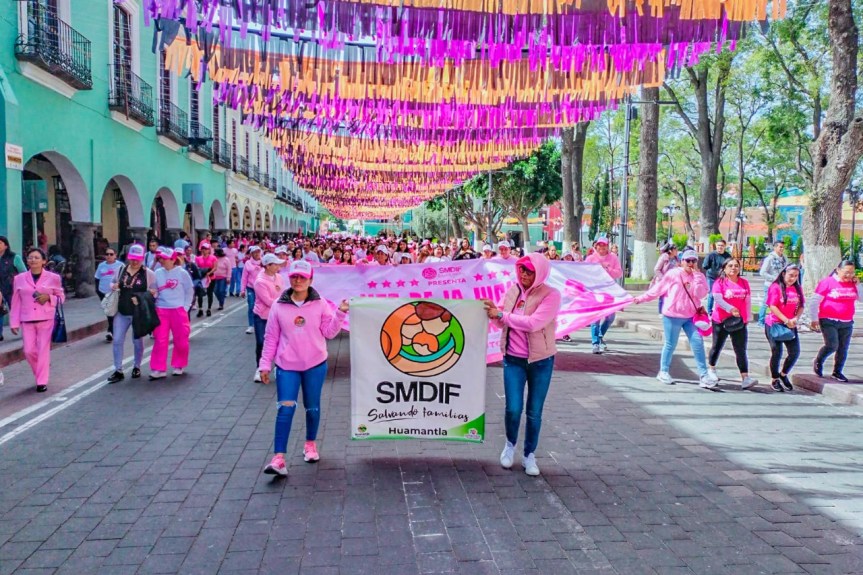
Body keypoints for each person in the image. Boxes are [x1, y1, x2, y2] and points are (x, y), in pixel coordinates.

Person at [259, 260, 349, 476]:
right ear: (289, 279)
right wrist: (264, 364)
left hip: (315, 364)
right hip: (286, 366)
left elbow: (328, 332)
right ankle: (279, 458)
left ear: (311, 279)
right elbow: (271, 337)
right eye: (294, 277)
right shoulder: (279, 306)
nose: (298, 280)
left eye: (303, 277)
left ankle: (310, 444)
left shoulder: (320, 304)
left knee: (312, 407)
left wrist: (340, 314)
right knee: (285, 408)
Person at [483, 253, 560, 477]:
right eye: (522, 270)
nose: (524, 274)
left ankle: (529, 455)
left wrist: (502, 314)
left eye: (529, 271)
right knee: (513, 408)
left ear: (540, 272)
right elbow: (502, 321)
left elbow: (534, 323)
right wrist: (492, 312)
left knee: (534, 411)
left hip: (541, 361)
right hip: (513, 360)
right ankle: (509, 446)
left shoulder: (551, 295)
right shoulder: (512, 291)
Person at [634, 250, 716, 389]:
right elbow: (658, 289)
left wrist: (696, 276)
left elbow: (700, 294)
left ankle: (703, 375)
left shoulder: (699, 276)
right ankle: (663, 371)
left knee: (697, 342)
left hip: (691, 316)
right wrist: (641, 298)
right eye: (687, 260)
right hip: (672, 315)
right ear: (681, 261)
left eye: (693, 261)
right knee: (670, 344)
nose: (690, 263)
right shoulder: (673, 274)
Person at [9, 248, 66, 392]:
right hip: (27, 319)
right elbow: (16, 302)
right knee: (29, 351)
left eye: (36, 257)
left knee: (42, 350)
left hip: (46, 318)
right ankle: (41, 370)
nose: (33, 260)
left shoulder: (53, 278)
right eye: (30, 257)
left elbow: (61, 297)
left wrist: (49, 297)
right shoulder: (19, 278)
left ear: (44, 261)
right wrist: (14, 322)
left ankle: (41, 381)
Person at [107, 245, 157, 384]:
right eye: (132, 259)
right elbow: (111, 283)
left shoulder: (149, 274)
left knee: (137, 341)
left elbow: (155, 292)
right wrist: (114, 286)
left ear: (142, 259)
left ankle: (137, 366)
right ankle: (118, 369)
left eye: (138, 259)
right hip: (121, 311)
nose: (135, 262)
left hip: (137, 312)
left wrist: (142, 297)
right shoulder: (121, 269)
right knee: (117, 340)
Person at [707, 258, 757, 390]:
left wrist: (747, 317)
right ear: (724, 268)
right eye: (730, 266)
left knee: (740, 349)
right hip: (721, 321)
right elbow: (718, 299)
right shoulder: (720, 282)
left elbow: (747, 301)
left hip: (739, 321)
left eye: (736, 266)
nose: (733, 268)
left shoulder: (744, 283)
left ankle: (745, 377)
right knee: (717, 346)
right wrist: (730, 309)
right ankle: (711, 370)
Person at [810, 260, 859, 382]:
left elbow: (861, 298)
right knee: (832, 345)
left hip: (847, 321)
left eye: (852, 273)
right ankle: (819, 360)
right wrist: (814, 319)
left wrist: (858, 285)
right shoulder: (827, 282)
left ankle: (837, 371)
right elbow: (814, 301)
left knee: (843, 347)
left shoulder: (852, 284)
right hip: (828, 319)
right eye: (846, 272)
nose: (849, 275)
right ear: (838, 270)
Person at [150, 248, 194, 380]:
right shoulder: (157, 272)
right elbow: (155, 289)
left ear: (173, 259)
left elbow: (189, 291)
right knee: (160, 339)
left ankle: (179, 365)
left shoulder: (182, 273)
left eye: (165, 258)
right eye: (161, 258)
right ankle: (158, 368)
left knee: (181, 340)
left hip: (178, 310)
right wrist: (154, 294)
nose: (162, 260)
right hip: (161, 309)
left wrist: (185, 307)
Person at [765, 265, 804, 392]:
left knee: (795, 352)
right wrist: (785, 320)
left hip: (790, 325)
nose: (793, 278)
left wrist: (795, 318)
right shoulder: (775, 287)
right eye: (790, 275)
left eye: (796, 276)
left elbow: (801, 306)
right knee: (777, 352)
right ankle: (775, 378)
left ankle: (783, 374)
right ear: (783, 274)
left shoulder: (797, 289)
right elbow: (773, 306)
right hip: (775, 324)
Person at [252, 253, 286, 383]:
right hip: (262, 316)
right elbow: (268, 301)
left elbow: (281, 294)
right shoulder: (260, 281)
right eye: (275, 264)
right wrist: (282, 305)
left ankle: (279, 368)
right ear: (267, 266)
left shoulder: (279, 277)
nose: (278, 266)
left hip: (276, 315)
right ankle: (259, 369)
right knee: (261, 342)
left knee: (278, 342)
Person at [586, 238, 622, 354]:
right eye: (600, 246)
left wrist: (607, 269)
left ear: (607, 246)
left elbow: (619, 273)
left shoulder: (613, 258)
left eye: (604, 246)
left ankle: (600, 334)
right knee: (595, 318)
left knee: (610, 317)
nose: (602, 248)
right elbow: (583, 272)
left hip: (608, 292)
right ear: (596, 246)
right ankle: (595, 343)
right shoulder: (591, 258)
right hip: (595, 292)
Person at [0, 236, 27, 342]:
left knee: (17, 310)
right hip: (0, 290)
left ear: (6, 246)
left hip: (12, 289)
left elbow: (24, 273)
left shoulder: (14, 257)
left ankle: (25, 329)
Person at [94, 247, 124, 342]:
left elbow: (125, 278)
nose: (109, 256)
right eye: (107, 254)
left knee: (112, 311)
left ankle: (111, 331)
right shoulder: (101, 265)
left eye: (111, 254)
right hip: (103, 292)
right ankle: (113, 330)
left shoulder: (120, 265)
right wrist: (98, 290)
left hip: (115, 292)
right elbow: (97, 278)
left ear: (115, 255)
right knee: (108, 311)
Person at [758, 241, 788, 325]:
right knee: (766, 302)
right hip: (770, 285)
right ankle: (761, 320)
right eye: (780, 247)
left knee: (780, 302)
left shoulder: (784, 258)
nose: (782, 249)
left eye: (783, 247)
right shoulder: (770, 258)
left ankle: (777, 319)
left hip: (782, 285)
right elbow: (762, 272)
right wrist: (774, 278)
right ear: (775, 248)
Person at [702, 239, 731, 315]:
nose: (720, 247)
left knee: (722, 294)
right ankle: (709, 311)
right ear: (716, 245)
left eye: (722, 245)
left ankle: (722, 309)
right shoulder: (711, 255)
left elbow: (730, 266)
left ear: (725, 246)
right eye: (718, 245)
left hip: (722, 278)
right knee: (712, 294)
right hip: (711, 277)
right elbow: (705, 265)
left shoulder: (727, 256)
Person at [240, 245, 263, 335]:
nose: (257, 254)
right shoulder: (248, 263)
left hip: (261, 288)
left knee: (261, 306)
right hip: (251, 288)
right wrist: (242, 290)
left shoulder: (264, 262)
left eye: (258, 252)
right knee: (251, 305)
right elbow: (244, 277)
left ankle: (261, 323)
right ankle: (251, 325)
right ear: (251, 253)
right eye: (255, 252)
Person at [653, 243, 680, 314]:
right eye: (675, 249)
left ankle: (670, 311)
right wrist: (663, 279)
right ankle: (661, 312)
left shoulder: (677, 258)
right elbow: (656, 269)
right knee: (662, 297)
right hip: (664, 281)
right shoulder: (664, 257)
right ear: (670, 250)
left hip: (674, 281)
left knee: (673, 296)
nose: (677, 250)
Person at [195, 242, 217, 317]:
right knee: (200, 294)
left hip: (211, 277)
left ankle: (209, 309)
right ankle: (200, 309)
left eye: (206, 249)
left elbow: (215, 267)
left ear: (209, 250)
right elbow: (196, 267)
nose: (204, 250)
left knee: (209, 293)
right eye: (203, 249)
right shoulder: (198, 258)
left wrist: (209, 272)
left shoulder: (213, 258)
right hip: (201, 278)